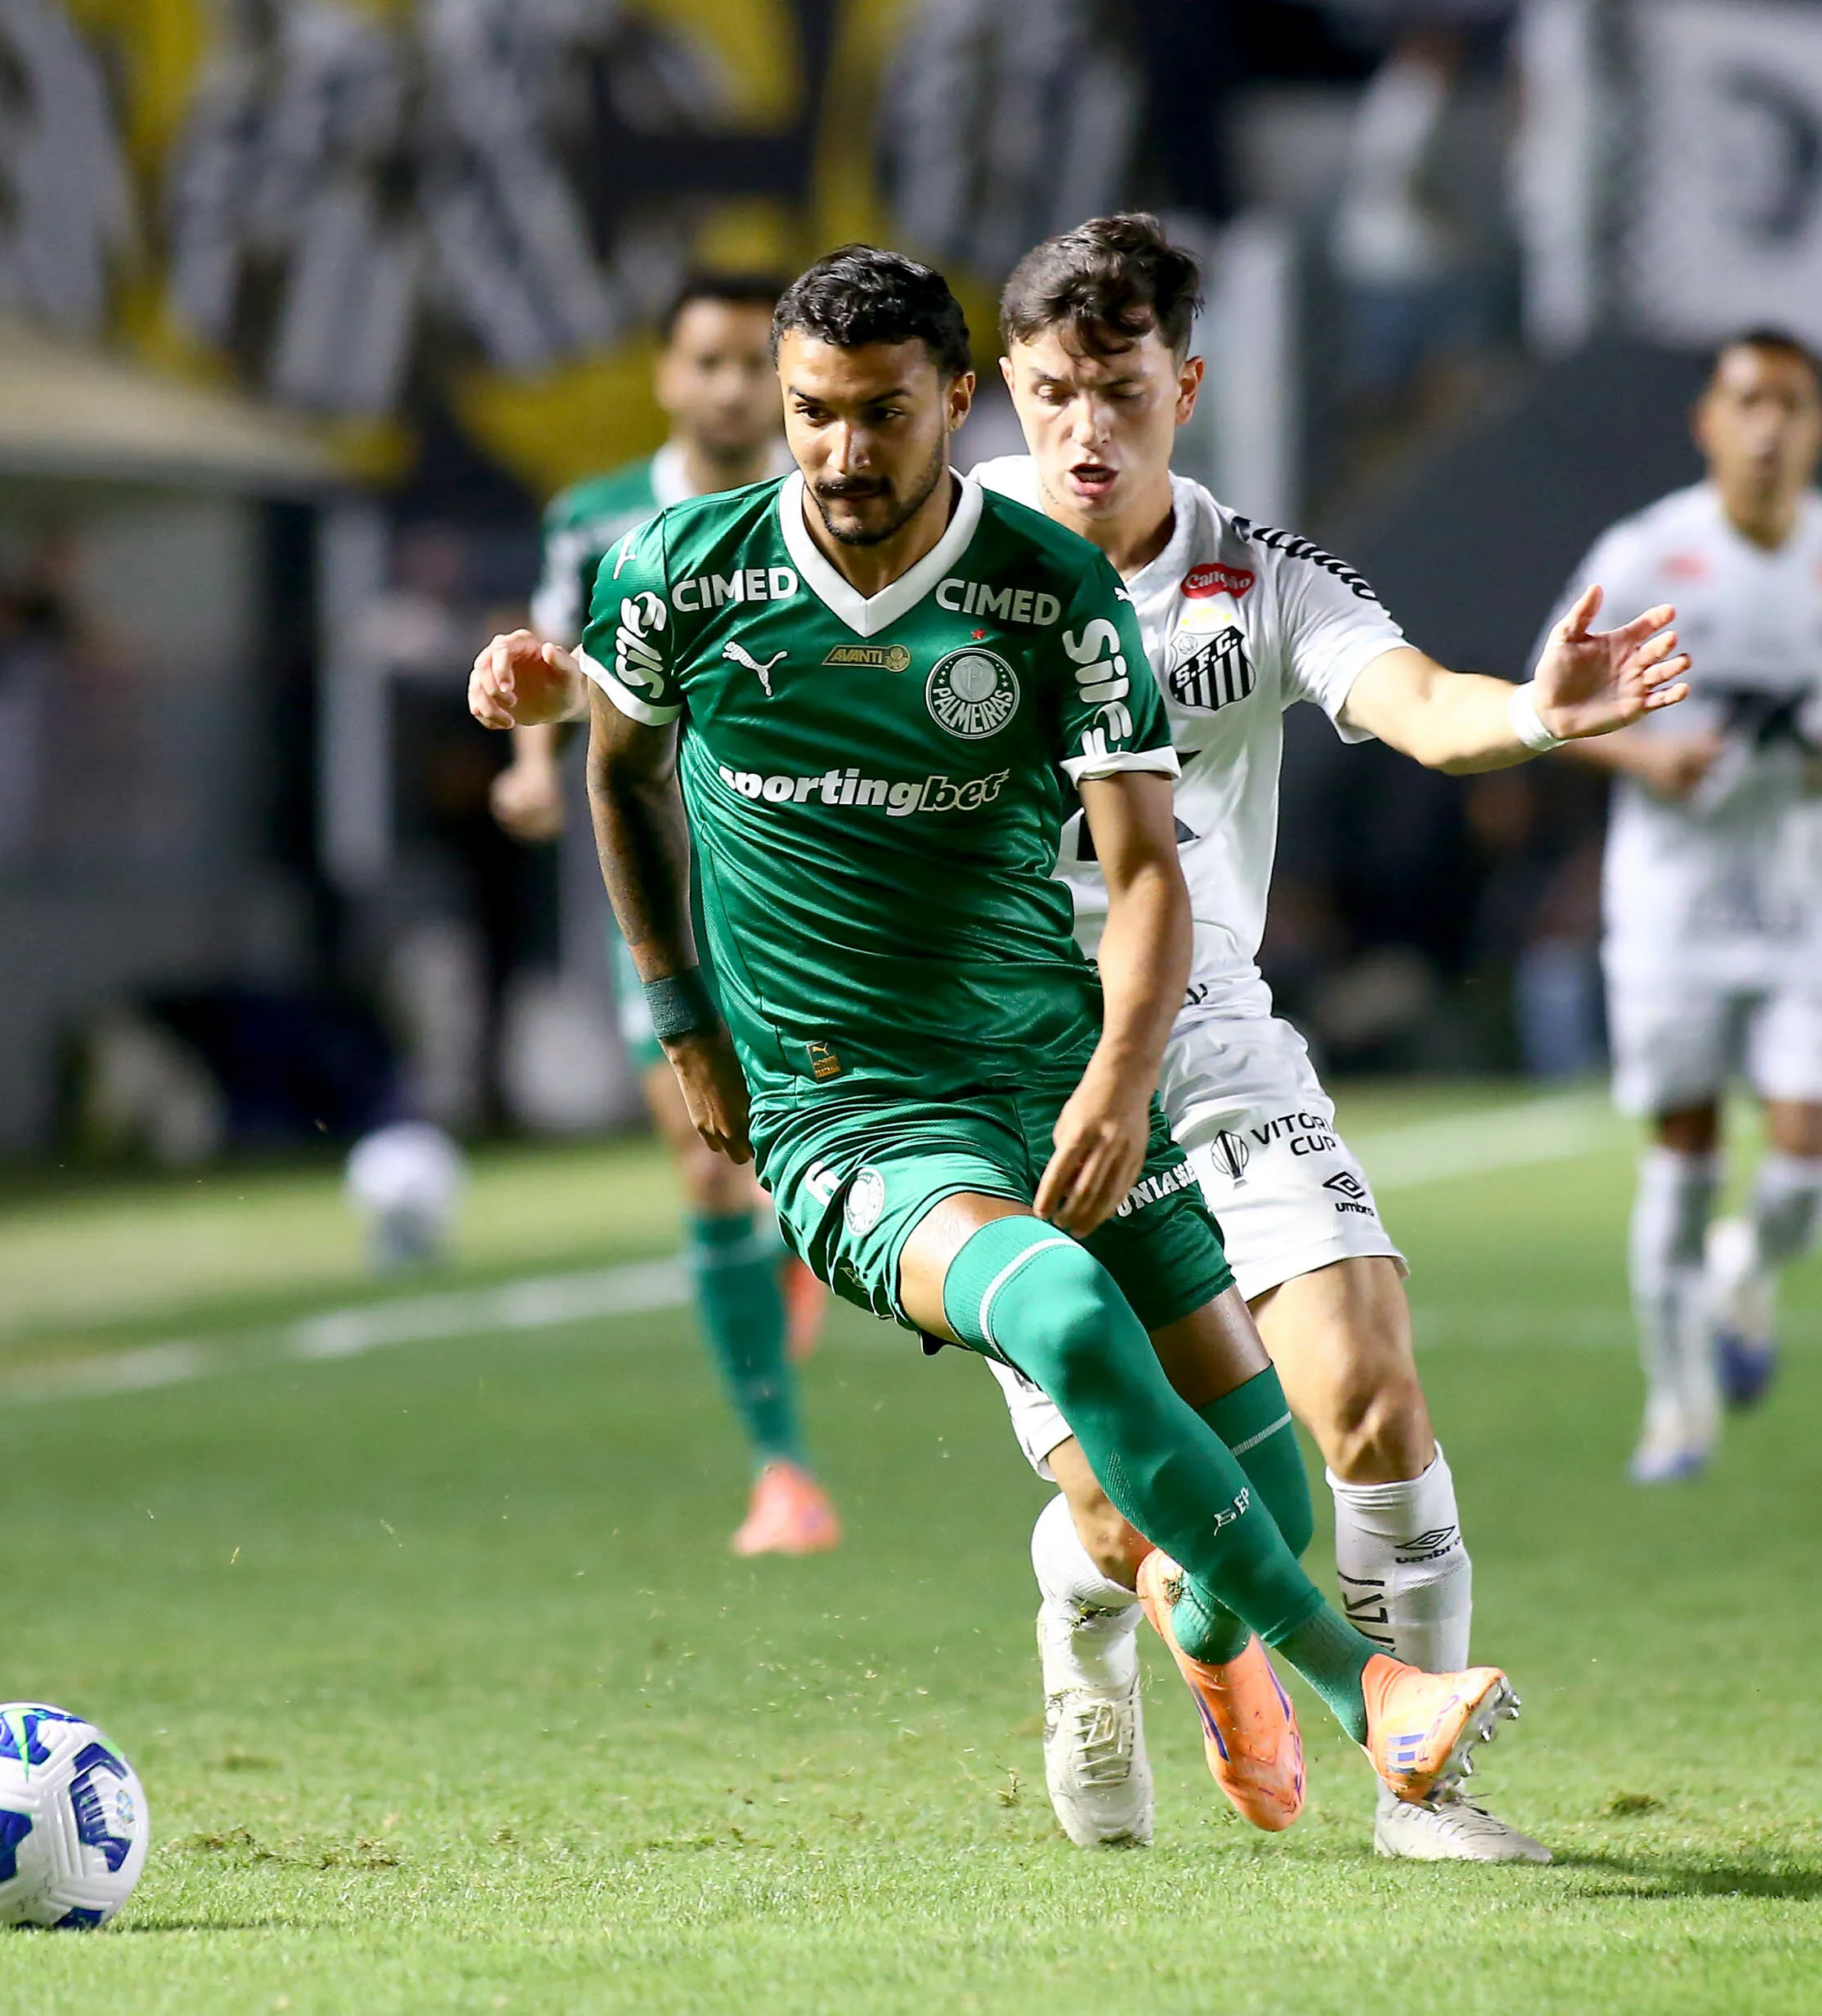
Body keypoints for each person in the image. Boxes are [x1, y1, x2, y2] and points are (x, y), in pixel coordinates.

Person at [473, 244, 1526, 1830]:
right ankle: (1368, 1692)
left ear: (949, 403)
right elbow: (621, 771)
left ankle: (1146, 1610)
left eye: (881, 414)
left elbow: (1148, 870)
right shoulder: (679, 567)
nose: (840, 451)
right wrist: (684, 1019)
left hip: (1070, 1060)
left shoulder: (1050, 591)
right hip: (852, 1112)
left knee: (1260, 1487)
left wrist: (1114, 1077)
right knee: (1069, 1319)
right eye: (811, 412)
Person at [971, 215, 1686, 1857]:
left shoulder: (1257, 578)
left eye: (1121, 392)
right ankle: (1082, 1606)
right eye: (1054, 393)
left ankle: (1418, 1790)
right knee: (1124, 1510)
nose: (1086, 430)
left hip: (1207, 1034)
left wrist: (1534, 711)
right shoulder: (943, 555)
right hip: (1009, 1061)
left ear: (1184, 387)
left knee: (1366, 1393)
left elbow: (1416, 699)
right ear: (1007, 387)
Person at [484, 271, 838, 1558]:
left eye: (755, 363)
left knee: (812, 1148)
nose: (732, 387)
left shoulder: (832, 507)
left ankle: (798, 1240)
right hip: (661, 882)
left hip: (810, 880)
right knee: (704, 1157)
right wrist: (531, 768)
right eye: (709, 361)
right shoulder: (596, 518)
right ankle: (781, 1471)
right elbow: (557, 657)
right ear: (664, 375)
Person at [1551, 330, 1822, 1484]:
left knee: (1808, 1175)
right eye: (1746, 401)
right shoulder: (1648, 552)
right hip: (1673, 903)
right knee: (1682, 1154)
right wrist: (1647, 757)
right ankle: (1676, 1407)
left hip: (1805, 899)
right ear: (1707, 424)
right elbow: (1552, 704)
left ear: (1818, 428)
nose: (1767, 426)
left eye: (1790, 404)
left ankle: (1745, 1266)